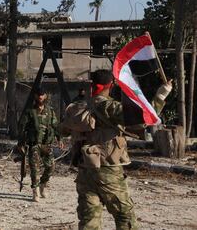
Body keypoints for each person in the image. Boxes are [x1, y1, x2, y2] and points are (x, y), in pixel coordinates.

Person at [69, 69, 172, 230]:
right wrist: (161, 95)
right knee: (125, 216)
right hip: (107, 170)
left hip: (85, 170)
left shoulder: (80, 106)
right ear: (110, 85)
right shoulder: (109, 106)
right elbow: (143, 119)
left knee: (89, 220)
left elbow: (64, 129)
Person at [18, 88, 61, 202]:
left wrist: (59, 138)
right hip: (34, 144)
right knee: (34, 169)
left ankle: (42, 184)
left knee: (51, 167)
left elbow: (55, 126)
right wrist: (20, 143)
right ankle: (35, 191)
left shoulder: (50, 111)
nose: (40, 97)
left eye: (42, 95)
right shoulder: (30, 111)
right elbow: (22, 128)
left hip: (46, 144)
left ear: (45, 96)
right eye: (38, 95)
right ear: (35, 96)